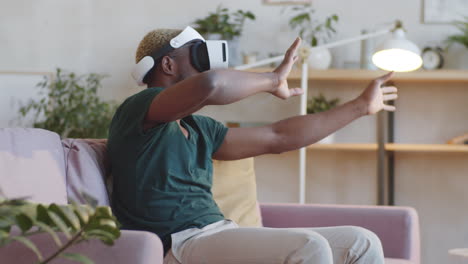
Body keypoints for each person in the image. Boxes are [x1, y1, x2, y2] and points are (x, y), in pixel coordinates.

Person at [107, 27, 398, 264]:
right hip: (178, 244)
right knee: (309, 247)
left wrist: (360, 106)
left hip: (219, 234)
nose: (205, 65)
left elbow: (278, 137)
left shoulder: (198, 127)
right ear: (168, 64)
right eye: (197, 56)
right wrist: (272, 80)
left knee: (361, 241)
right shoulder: (139, 110)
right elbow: (212, 85)